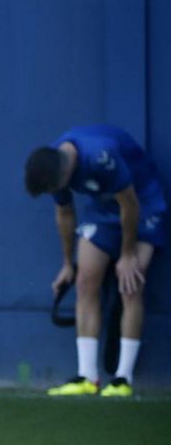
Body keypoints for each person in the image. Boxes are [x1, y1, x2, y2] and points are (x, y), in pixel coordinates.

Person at [24, 124, 166, 397]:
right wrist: (67, 264)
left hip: (143, 204)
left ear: (63, 176)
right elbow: (64, 213)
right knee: (85, 282)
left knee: (130, 284)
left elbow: (130, 205)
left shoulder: (101, 156)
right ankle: (87, 377)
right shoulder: (53, 165)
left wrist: (127, 254)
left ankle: (123, 379)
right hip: (103, 209)